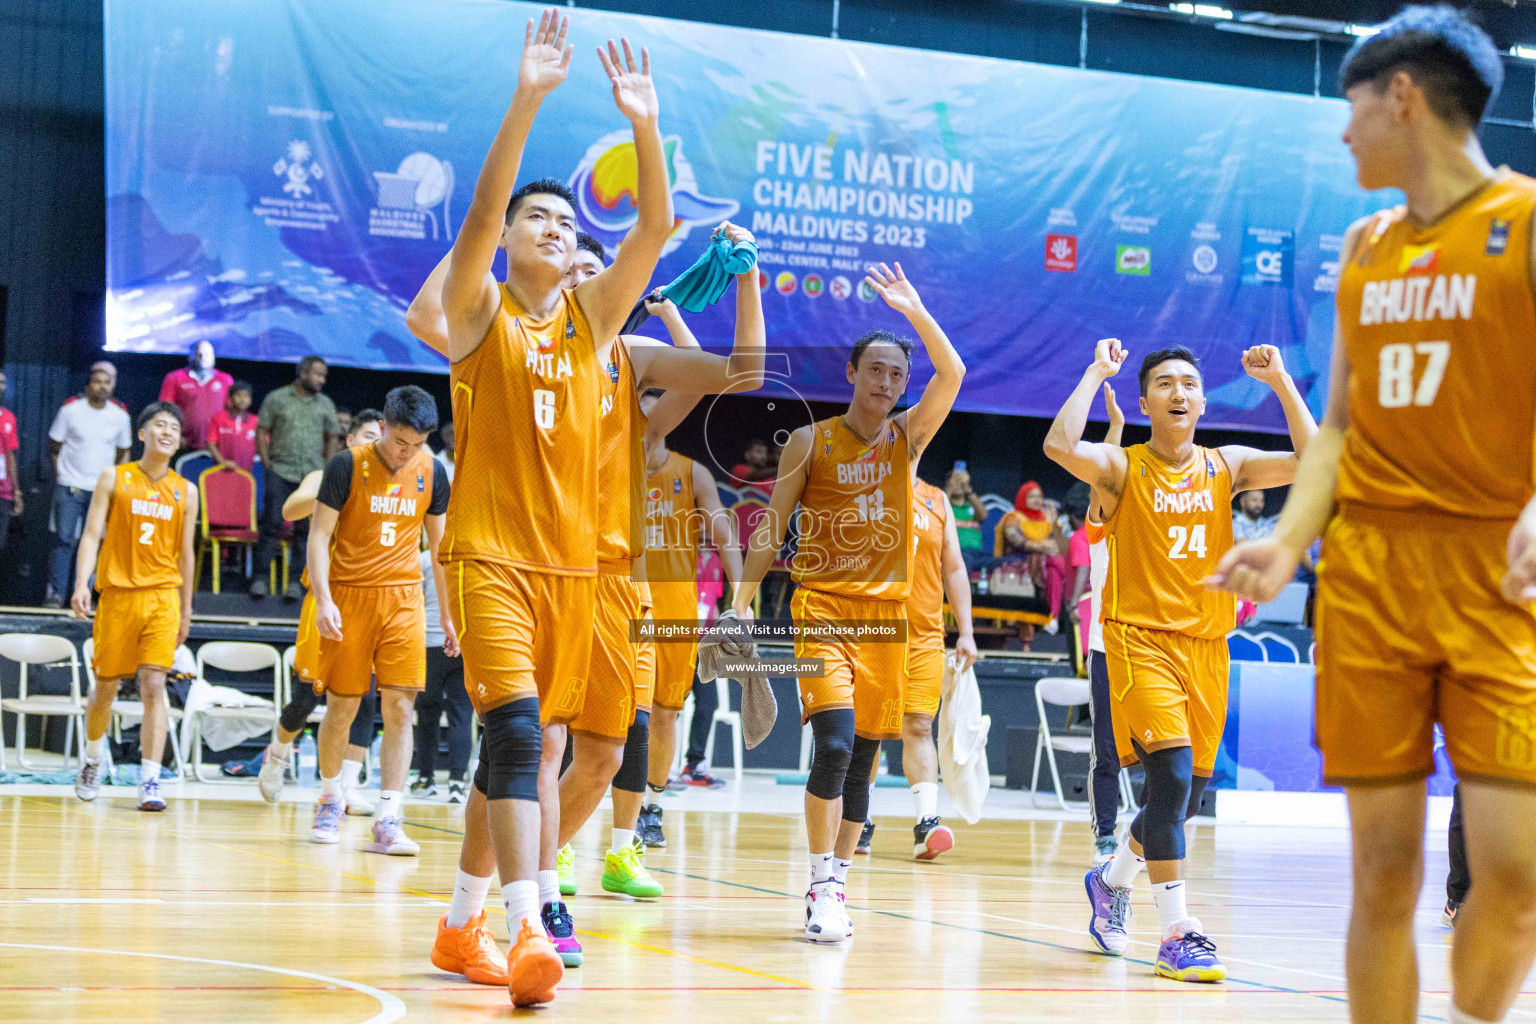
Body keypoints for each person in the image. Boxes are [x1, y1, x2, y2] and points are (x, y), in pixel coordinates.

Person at [1210, 10, 1536, 1022]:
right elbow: (1341, 430)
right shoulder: (1365, 246)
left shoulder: (1523, 224)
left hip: (1498, 577)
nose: (1345, 132)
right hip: (1371, 580)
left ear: (1403, 97)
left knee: (1516, 882)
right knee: (1385, 877)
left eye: (1353, 107)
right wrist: (1286, 541)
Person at [411, 219, 763, 961]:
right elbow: (425, 316)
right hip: (536, 563)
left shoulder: (628, 361)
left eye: (596, 271)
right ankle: (536, 897)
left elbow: (743, 372)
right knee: (534, 746)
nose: (580, 279)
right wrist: (489, 231)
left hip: (617, 581)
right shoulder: (513, 339)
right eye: (573, 268)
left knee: (603, 754)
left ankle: (519, 880)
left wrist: (745, 278)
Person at [418, 13, 677, 1006]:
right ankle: (529, 922)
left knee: (517, 752)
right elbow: (480, 215)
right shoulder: (479, 315)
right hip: (491, 561)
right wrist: (528, 98)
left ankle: (457, 921)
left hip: (579, 573)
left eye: (566, 225)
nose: (555, 233)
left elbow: (652, 231)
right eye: (542, 221)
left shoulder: (592, 321)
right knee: (522, 738)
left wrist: (643, 127)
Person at [1045, 339, 1314, 983]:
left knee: (1184, 798)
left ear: (1201, 400)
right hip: (1139, 640)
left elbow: (1315, 457)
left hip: (1206, 646)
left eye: (1189, 383)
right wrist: (1093, 371)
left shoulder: (1228, 465)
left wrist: (1279, 381)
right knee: (1166, 778)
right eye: (1164, 383)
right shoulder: (1121, 467)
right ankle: (1178, 931)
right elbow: (1059, 445)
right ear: (1145, 402)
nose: (1179, 392)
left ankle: (1112, 881)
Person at [728, 261, 965, 945]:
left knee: (862, 760)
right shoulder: (811, 440)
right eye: (876, 370)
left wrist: (916, 308)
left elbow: (954, 376)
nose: (886, 383)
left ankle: (838, 878)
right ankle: (819, 880)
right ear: (853, 374)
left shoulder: (908, 440)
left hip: (886, 623)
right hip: (824, 612)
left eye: (897, 374)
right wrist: (744, 601)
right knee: (831, 744)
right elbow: (773, 528)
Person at [306, 386, 452, 857]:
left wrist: (450, 616)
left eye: (417, 444)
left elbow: (442, 553)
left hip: (405, 600)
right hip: (349, 598)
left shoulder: (432, 472)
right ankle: (331, 798)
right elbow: (318, 536)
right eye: (400, 442)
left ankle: (389, 817)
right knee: (343, 709)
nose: (407, 452)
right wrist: (324, 599)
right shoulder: (346, 464)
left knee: (401, 710)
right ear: (384, 426)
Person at [228, 410, 387, 815]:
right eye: (368, 435)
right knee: (306, 696)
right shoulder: (328, 474)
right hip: (326, 597)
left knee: (366, 698)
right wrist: (335, 493)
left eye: (380, 438)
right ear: (350, 439)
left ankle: (347, 787)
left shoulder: (391, 485)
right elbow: (290, 510)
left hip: (370, 600)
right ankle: (278, 752)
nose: (375, 444)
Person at [70, 402, 197, 812]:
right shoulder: (114, 477)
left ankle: (150, 779)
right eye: (159, 424)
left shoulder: (186, 490)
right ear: (142, 434)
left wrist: (187, 609)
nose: (167, 431)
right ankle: (92, 760)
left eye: (174, 427)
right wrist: (80, 583)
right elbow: (91, 535)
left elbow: (186, 555)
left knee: (154, 685)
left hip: (162, 598)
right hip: (119, 595)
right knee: (105, 686)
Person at [640, 377, 747, 846]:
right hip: (616, 603)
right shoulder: (602, 467)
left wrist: (740, 603)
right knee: (607, 718)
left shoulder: (692, 474)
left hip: (676, 611)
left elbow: (726, 540)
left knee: (664, 714)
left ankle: (651, 805)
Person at [899, 467, 978, 859]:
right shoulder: (861, 485)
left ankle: (925, 823)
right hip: (870, 630)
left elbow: (954, 567)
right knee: (865, 729)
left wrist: (966, 631)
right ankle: (856, 817)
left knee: (918, 722)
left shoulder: (936, 499)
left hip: (924, 633)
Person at [1063, 384, 1125, 865]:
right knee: (1105, 749)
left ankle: (1150, 832)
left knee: (1157, 753)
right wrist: (1117, 430)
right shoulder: (1099, 526)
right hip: (1106, 646)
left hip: (1153, 646)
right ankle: (1107, 832)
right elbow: (1104, 477)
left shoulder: (1158, 524)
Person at [253, 355, 341, 600]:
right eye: (317, 374)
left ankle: (295, 583)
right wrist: (268, 465)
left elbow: (333, 435)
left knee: (306, 531)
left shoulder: (326, 404)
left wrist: (327, 467)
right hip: (280, 471)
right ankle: (260, 579)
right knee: (271, 525)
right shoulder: (277, 398)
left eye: (324, 376)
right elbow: (262, 431)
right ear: (302, 373)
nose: (321, 380)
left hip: (312, 477)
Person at [47, 363, 131, 608]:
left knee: (96, 541)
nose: (102, 386)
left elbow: (124, 451)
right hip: (70, 485)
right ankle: (56, 595)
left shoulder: (120, 416)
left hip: (102, 490)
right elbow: (54, 446)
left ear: (113, 386)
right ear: (88, 385)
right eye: (97, 381)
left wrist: (117, 482)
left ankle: (85, 594)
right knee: (64, 540)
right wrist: (61, 473)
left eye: (107, 382)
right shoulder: (71, 411)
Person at [412, 545, 473, 803]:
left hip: (430, 645)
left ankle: (426, 778)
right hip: (462, 645)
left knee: (427, 715)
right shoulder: (469, 557)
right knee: (462, 715)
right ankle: (458, 782)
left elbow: (414, 603)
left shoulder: (424, 559)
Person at [996, 480, 1067, 637]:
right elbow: (1015, 539)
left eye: (1039, 497)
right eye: (1032, 497)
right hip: (1021, 563)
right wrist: (1039, 546)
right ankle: (1071, 586)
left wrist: (1053, 523)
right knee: (1054, 563)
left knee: (1054, 568)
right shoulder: (1013, 518)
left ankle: (1053, 618)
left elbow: (1062, 548)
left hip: (1045, 564)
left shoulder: (1045, 519)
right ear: (1023, 498)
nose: (1037, 500)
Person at [158, 341, 233, 452]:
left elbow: (231, 412)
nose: (202, 357)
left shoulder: (225, 380)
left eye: (207, 354)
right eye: (198, 354)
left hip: (216, 447)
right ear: (190, 356)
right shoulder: (175, 378)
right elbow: (165, 410)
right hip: (183, 444)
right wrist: (175, 435)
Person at [206, 380, 258, 472]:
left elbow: (263, 444)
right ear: (230, 398)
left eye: (246, 396)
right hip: (220, 471)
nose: (242, 399)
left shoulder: (255, 421)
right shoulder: (218, 418)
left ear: (250, 400)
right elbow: (210, 443)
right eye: (238, 395)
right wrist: (222, 462)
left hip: (245, 474)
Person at [0, 371, 22, 556]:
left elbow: (10, 455)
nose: (0, 386)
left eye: (3, 382)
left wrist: (16, 491)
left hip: (3, 490)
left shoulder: (8, 417)